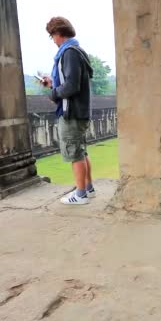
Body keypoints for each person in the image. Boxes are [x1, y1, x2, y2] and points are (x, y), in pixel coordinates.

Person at [41, 17, 96, 205]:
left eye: (52, 36)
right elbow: (70, 81)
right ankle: (88, 189)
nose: (53, 41)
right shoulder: (76, 51)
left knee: (75, 153)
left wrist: (53, 93)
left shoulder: (69, 53)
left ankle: (80, 195)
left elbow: (71, 86)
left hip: (72, 112)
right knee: (81, 151)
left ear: (58, 33)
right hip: (79, 111)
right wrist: (52, 84)